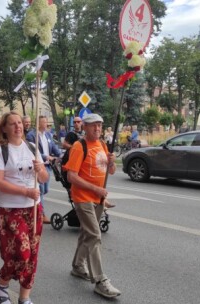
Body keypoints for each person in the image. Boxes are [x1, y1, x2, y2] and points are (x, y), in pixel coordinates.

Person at [0, 111, 48, 304]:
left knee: (32, 255)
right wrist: (25, 192)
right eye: (12, 123)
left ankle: (24, 297)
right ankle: (2, 283)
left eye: (20, 123)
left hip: (33, 209)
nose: (18, 126)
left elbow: (45, 178)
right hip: (10, 209)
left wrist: (40, 170)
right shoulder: (0, 150)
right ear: (4, 128)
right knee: (20, 254)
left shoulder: (32, 147)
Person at [63, 113, 121, 299]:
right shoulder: (80, 147)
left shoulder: (103, 145)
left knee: (86, 234)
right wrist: (95, 188)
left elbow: (110, 171)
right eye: (93, 126)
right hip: (83, 198)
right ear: (85, 128)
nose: (97, 129)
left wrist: (112, 162)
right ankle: (100, 280)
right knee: (95, 236)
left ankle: (78, 266)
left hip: (98, 200)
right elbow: (71, 176)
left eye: (99, 126)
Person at [26, 115, 61, 224]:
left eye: (46, 122)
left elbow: (54, 147)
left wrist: (60, 155)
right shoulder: (31, 135)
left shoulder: (48, 135)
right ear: (38, 123)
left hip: (48, 167)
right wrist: (46, 157)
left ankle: (36, 208)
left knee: (45, 190)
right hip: (39, 165)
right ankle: (42, 214)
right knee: (40, 191)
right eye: (44, 122)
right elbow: (32, 150)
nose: (46, 124)